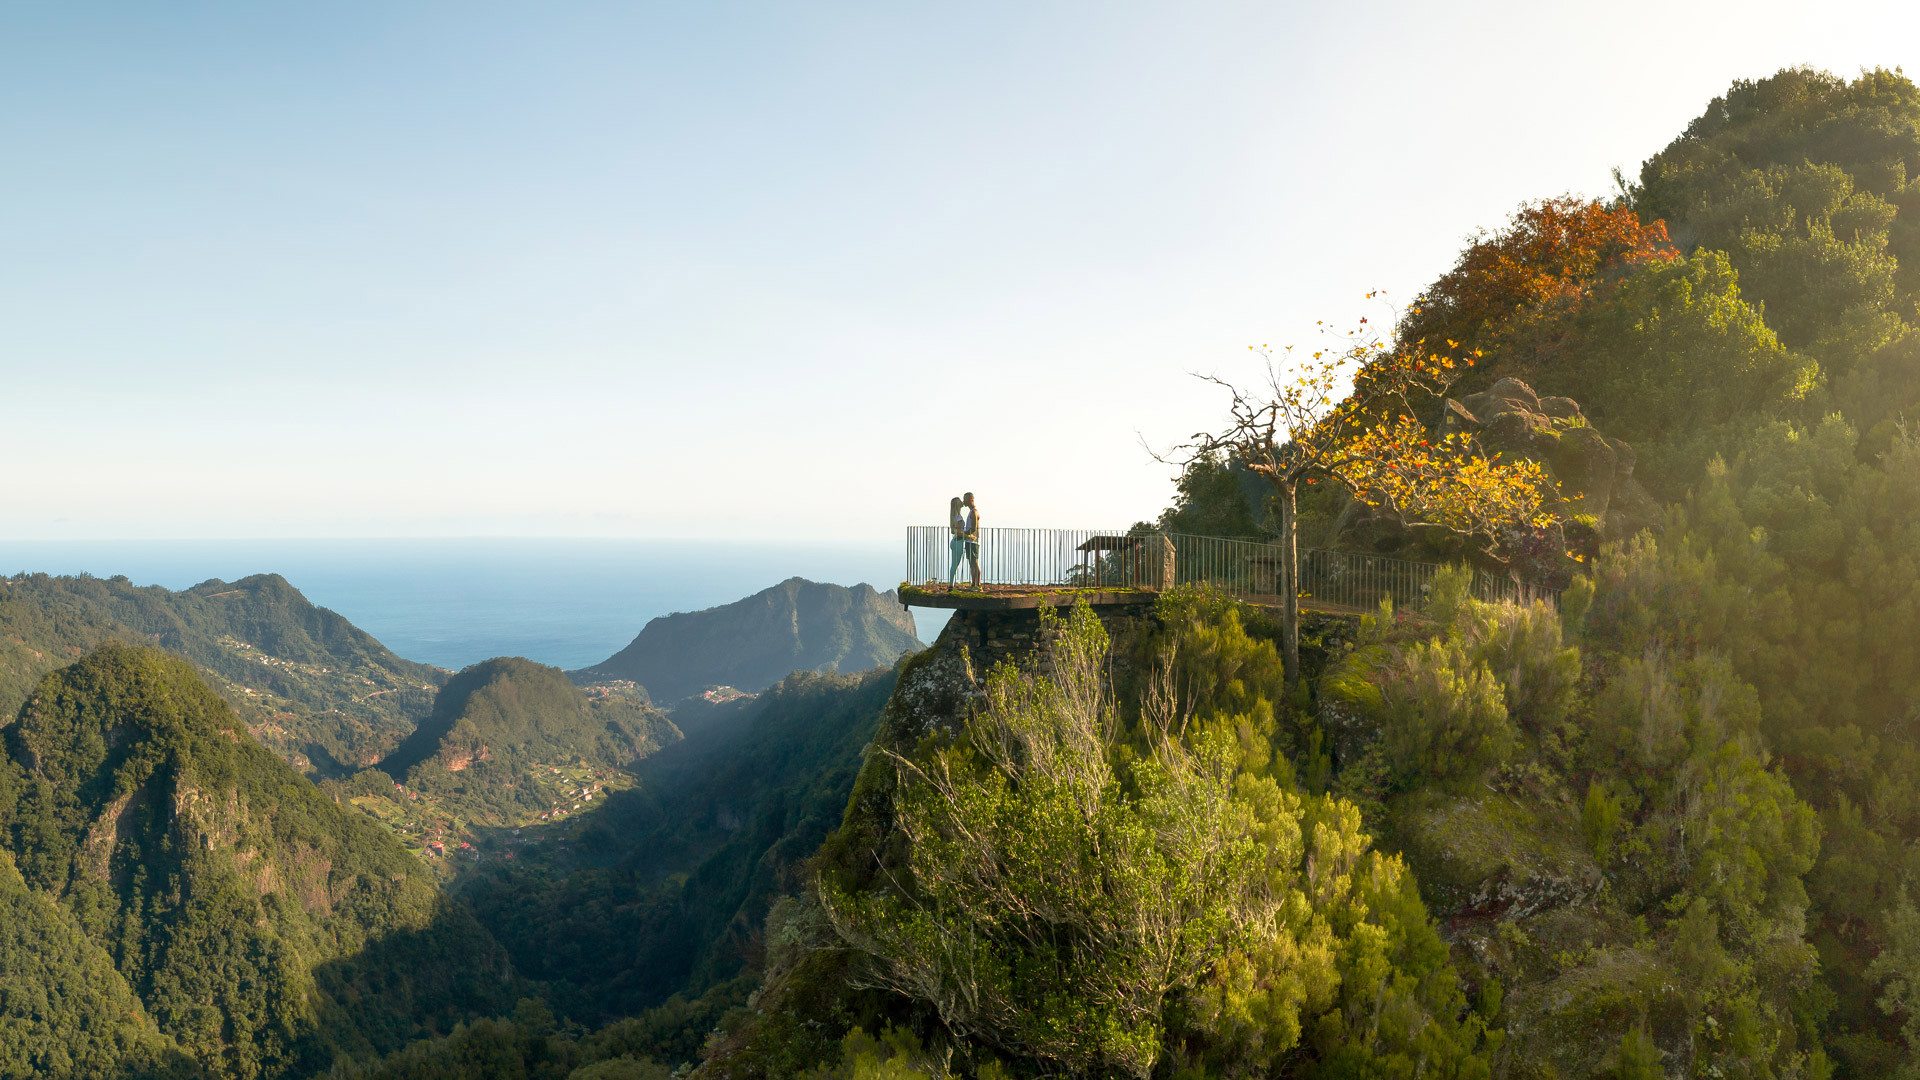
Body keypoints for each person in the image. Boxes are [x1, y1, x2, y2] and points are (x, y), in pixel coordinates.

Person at [959, 492, 981, 588]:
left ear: (971, 499)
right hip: (970, 541)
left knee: (974, 563)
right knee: (972, 563)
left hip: (972, 541)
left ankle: (978, 584)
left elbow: (973, 528)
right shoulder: (972, 511)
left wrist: (964, 534)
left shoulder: (974, 512)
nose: (964, 501)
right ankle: (973, 583)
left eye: (965, 499)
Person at [947, 496, 967, 588]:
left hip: (954, 541)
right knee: (955, 565)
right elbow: (959, 533)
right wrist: (968, 535)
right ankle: (951, 585)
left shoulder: (954, 517)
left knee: (953, 564)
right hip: (958, 542)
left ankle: (952, 583)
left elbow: (954, 531)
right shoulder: (959, 518)